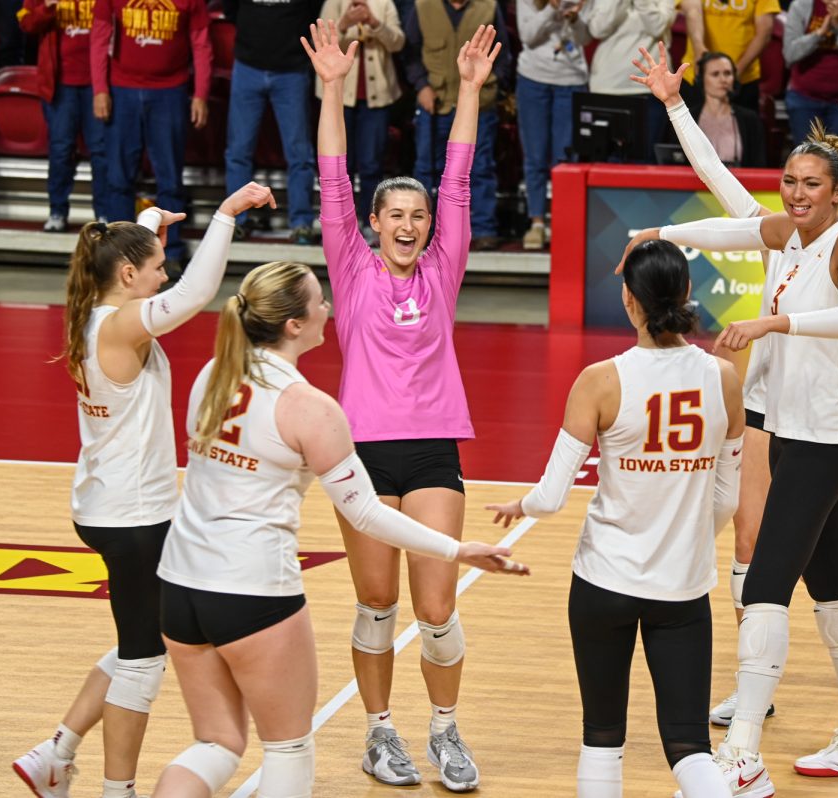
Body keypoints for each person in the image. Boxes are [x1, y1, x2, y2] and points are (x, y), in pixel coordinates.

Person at [625, 45, 838, 797]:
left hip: (829, 433)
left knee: (769, 585)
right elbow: (723, 204)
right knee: (833, 588)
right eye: (789, 182)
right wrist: (667, 230)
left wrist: (773, 324)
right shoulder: (788, 231)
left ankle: (741, 753)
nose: (796, 193)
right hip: (793, 427)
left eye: (812, 184)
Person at [148, 260, 529, 798]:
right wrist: (457, 548)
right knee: (286, 749)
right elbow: (366, 512)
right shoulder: (310, 408)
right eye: (318, 301)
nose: (328, 307)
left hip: (180, 585)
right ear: (294, 325)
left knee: (216, 745)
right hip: (252, 588)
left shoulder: (212, 376)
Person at [12, 182, 277, 798]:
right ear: (128, 274)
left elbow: (146, 259)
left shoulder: (95, 311)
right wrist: (228, 216)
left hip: (107, 504)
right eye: (156, 266)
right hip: (135, 517)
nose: (165, 275)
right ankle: (115, 789)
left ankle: (56, 751)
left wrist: (153, 219)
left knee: (142, 639)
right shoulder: (123, 326)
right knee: (143, 658)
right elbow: (198, 293)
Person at [311, 19, 499, 791]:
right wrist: (330, 86)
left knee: (438, 603)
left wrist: (473, 92)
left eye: (419, 216)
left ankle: (447, 733)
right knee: (378, 602)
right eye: (396, 215)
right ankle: (380, 734)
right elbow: (330, 174)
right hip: (360, 454)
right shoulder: (351, 268)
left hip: (431, 453)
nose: (411, 225)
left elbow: (456, 177)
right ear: (373, 224)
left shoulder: (442, 268)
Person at [486, 240, 745, 798]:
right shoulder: (723, 377)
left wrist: (521, 506)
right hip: (682, 587)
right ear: (687, 295)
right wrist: (690, 539)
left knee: (601, 737)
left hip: (603, 582)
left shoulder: (600, 381)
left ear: (630, 302)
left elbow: (552, 496)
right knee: (690, 747)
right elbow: (727, 498)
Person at [91, 0, 213, 269]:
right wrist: (100, 89)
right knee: (118, 179)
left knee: (169, 180)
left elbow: (201, 43)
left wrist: (201, 93)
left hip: (171, 91)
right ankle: (118, 254)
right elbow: (99, 37)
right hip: (122, 90)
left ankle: (169, 254)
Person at [402, 0, 510, 251]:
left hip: (479, 105)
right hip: (436, 103)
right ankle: (425, 230)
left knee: (481, 167)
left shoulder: (488, 7)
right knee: (427, 168)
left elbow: (503, 56)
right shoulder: (422, 6)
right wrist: (422, 86)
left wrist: (491, 87)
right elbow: (410, 54)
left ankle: (483, 228)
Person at [223, 0, 323, 245]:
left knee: (299, 154)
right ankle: (236, 220)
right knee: (238, 151)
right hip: (248, 65)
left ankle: (301, 223)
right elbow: (231, 10)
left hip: (292, 69)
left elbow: (314, 11)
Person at [316, 0, 407, 246]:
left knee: (371, 164)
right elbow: (321, 44)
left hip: (377, 97)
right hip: (339, 96)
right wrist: (345, 23)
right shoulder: (334, 3)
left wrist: (374, 23)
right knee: (340, 165)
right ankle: (341, 223)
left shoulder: (383, 3)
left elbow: (398, 41)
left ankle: (371, 223)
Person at [18, 0, 110, 231]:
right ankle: (57, 211)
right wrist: (48, 6)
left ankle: (104, 213)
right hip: (60, 85)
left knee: (101, 151)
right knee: (60, 150)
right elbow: (27, 23)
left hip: (98, 84)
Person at [515, 0, 590, 249]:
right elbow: (528, 36)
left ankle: (563, 223)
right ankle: (537, 222)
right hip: (533, 79)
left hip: (571, 81)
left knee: (565, 159)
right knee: (535, 156)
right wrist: (550, 9)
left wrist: (574, 19)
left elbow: (585, 38)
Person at [581, 0, 674, 157]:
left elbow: (657, 26)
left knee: (646, 161)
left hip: (649, 88)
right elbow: (598, 29)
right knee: (606, 161)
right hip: (608, 87)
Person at [782, 0, 838, 145]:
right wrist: (819, 34)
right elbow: (790, 53)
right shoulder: (800, 5)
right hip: (804, 98)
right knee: (807, 160)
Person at [661, 51, 766, 167]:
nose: (723, 80)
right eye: (715, 74)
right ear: (701, 79)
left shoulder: (750, 120)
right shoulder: (686, 118)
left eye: (727, 73)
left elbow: (759, 165)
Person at [678, 0, 779, 113]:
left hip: (744, 79)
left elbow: (765, 32)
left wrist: (735, 72)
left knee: (744, 128)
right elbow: (692, 11)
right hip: (696, 76)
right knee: (689, 129)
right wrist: (699, 49)